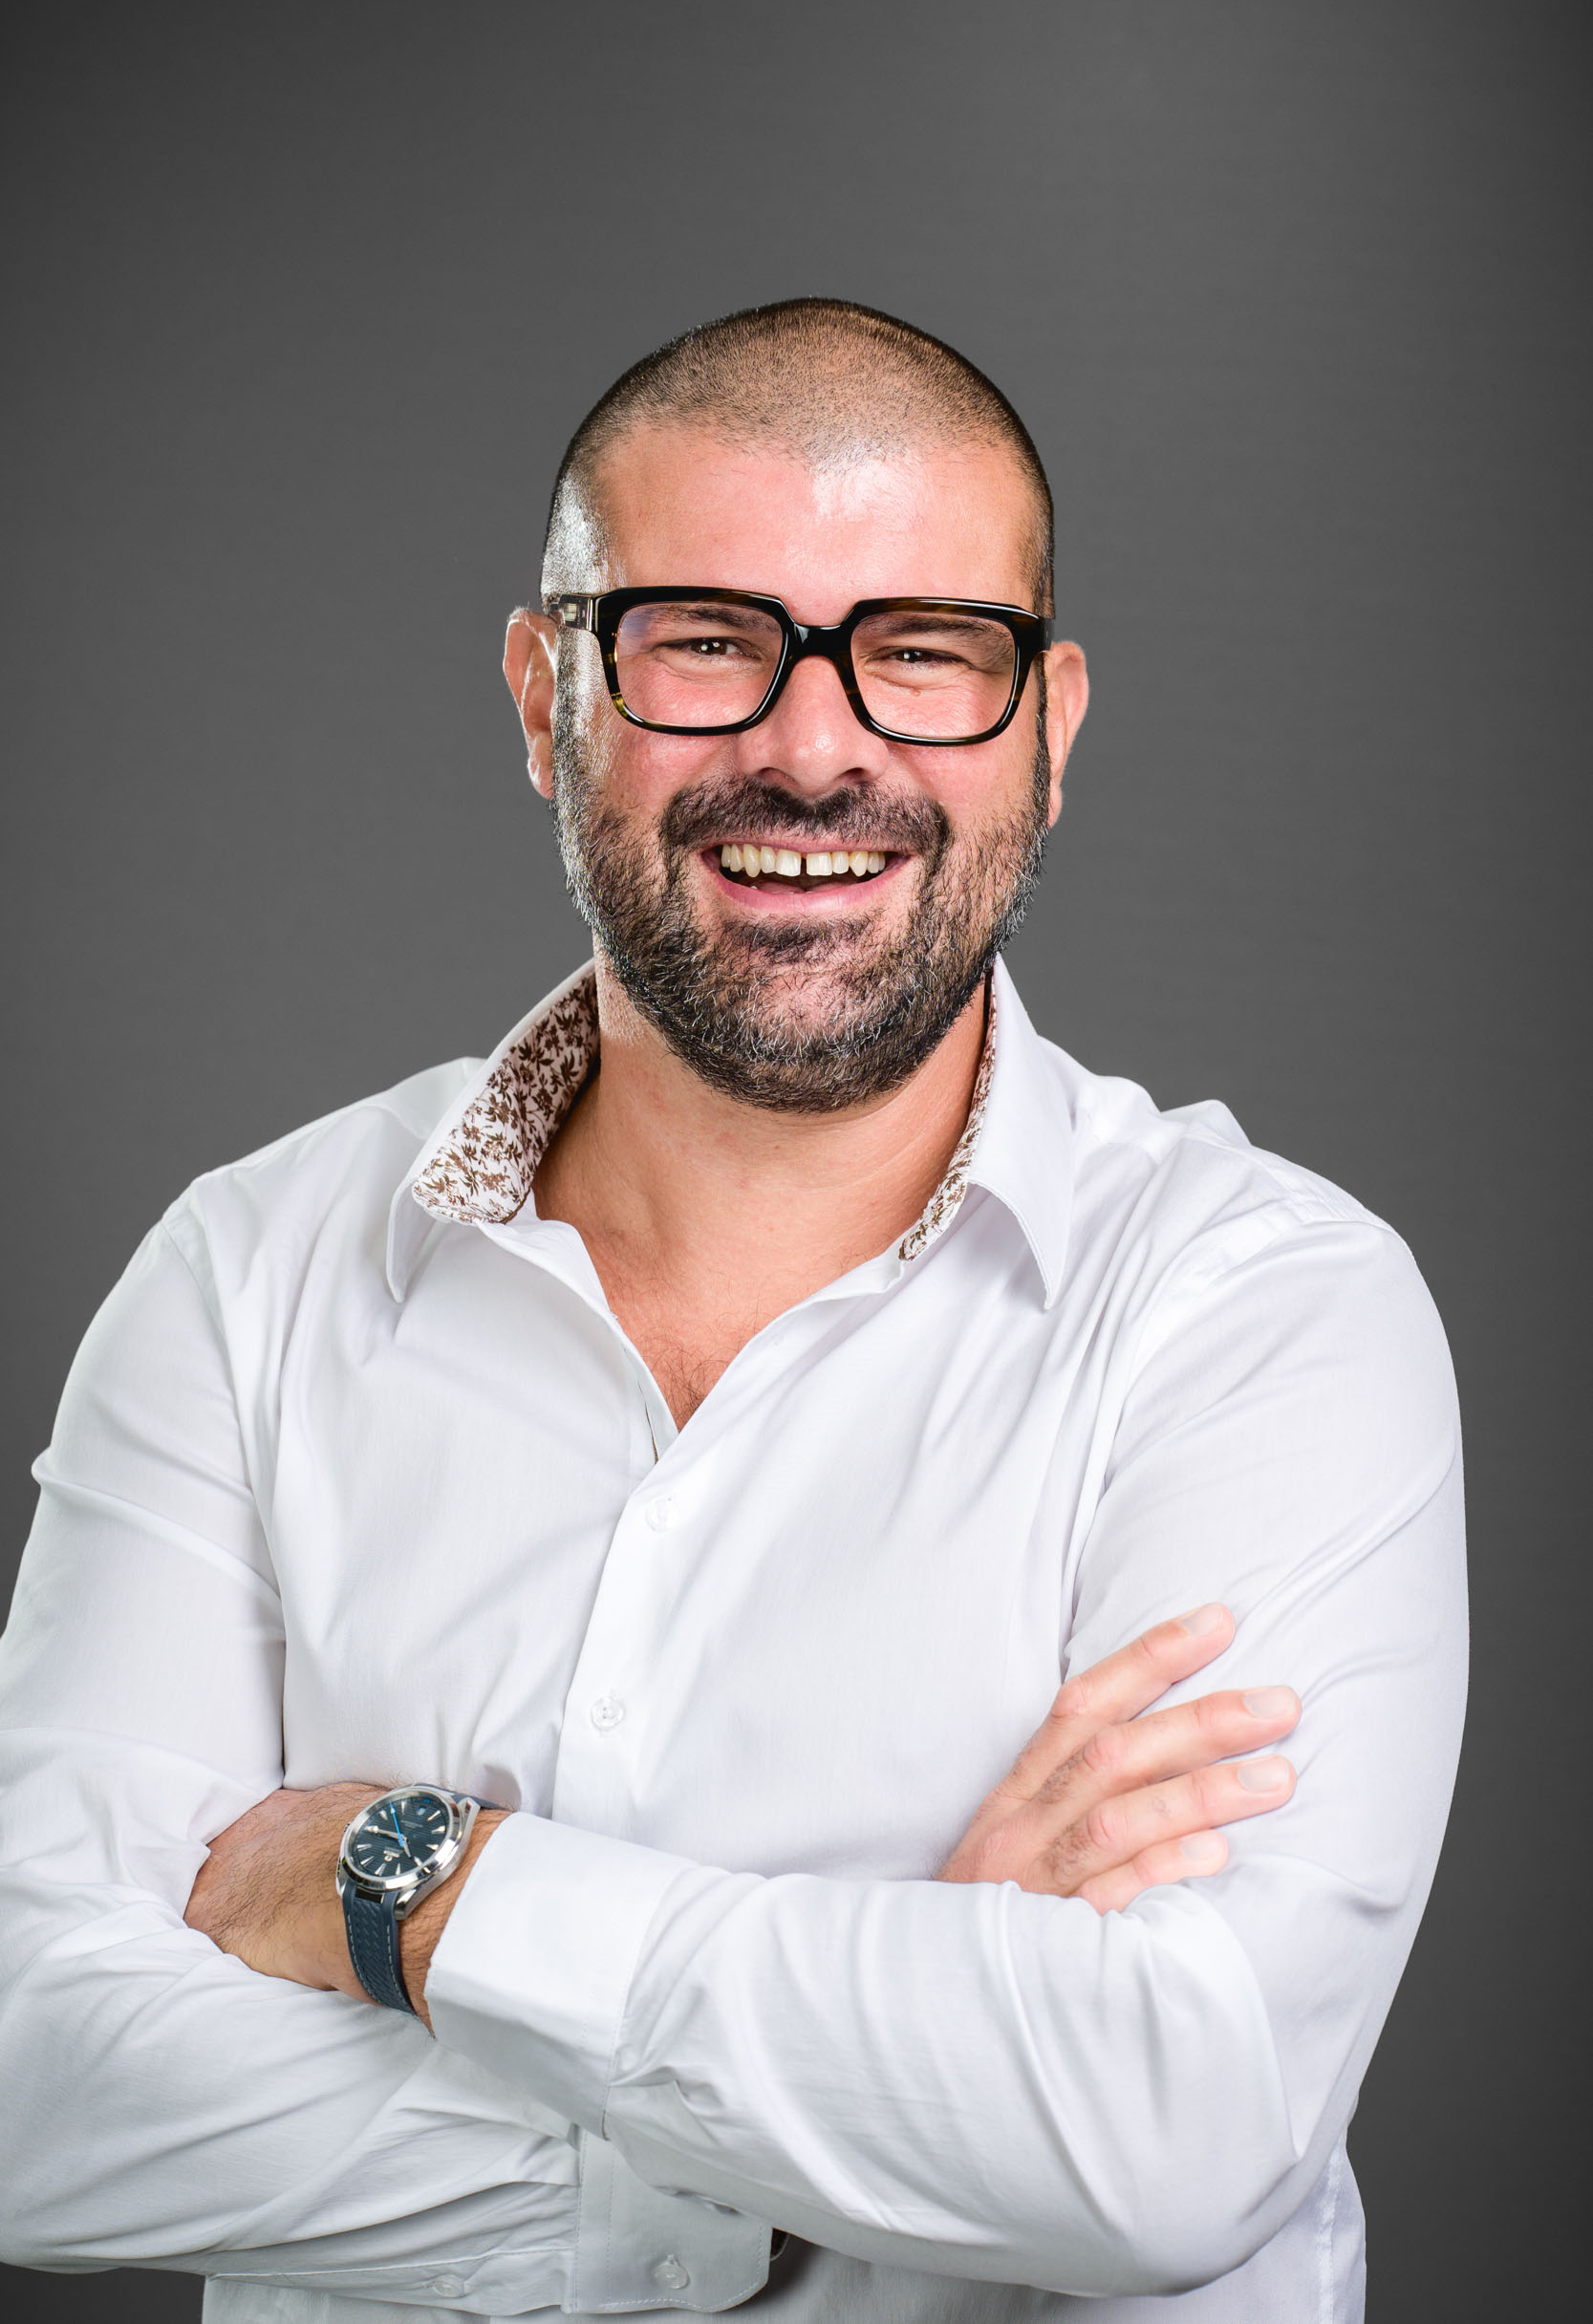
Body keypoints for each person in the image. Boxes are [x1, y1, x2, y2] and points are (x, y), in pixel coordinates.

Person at [0, 299, 1465, 2323]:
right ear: (544, 694)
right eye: (705, 637)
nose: (815, 744)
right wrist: (851, 2111)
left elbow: (1166, 2129)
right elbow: (36, 2073)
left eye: (925, 652)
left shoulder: (1265, 1312)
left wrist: (412, 1883)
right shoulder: (246, 1274)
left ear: (1048, 729)